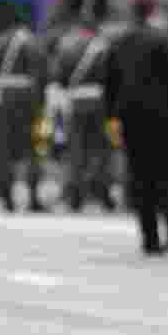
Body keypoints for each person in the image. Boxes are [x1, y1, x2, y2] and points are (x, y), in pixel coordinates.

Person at [104, 0, 168, 256]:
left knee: (141, 178)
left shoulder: (118, 43)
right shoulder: (163, 40)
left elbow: (110, 84)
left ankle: (150, 239)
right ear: (153, 12)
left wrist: (113, 117)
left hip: (132, 121)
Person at [0, 7, 49, 212]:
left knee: (5, 148)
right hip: (27, 99)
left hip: (3, 99)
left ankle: (7, 198)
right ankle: (33, 198)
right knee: (32, 148)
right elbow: (41, 74)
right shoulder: (32, 42)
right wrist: (40, 102)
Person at [54, 21, 116, 212]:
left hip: (75, 101)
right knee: (100, 150)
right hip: (99, 102)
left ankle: (75, 197)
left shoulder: (66, 47)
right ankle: (103, 194)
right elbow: (113, 77)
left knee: (76, 151)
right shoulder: (104, 47)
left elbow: (59, 76)